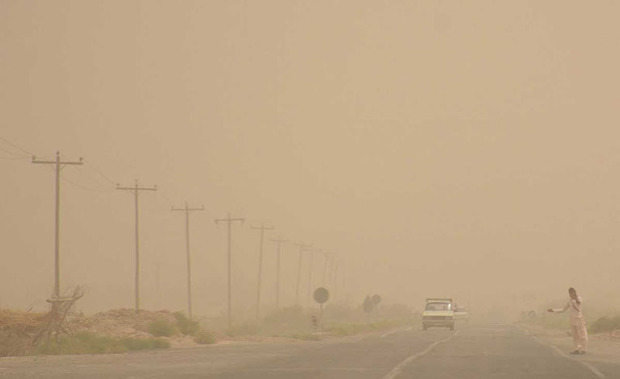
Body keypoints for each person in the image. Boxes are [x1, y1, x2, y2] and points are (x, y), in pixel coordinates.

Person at [547, 287, 588, 354]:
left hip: (579, 319)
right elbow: (563, 310)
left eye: (572, 292)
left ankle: (583, 349)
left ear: (575, 292)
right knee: (574, 335)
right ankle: (576, 349)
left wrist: (575, 297)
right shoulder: (569, 301)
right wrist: (553, 310)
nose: (571, 294)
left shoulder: (579, 298)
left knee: (582, 335)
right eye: (570, 293)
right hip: (572, 320)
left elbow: (578, 303)